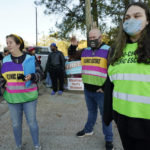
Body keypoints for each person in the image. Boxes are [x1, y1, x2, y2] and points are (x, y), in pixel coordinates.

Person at [103, 2, 150, 150]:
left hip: (146, 123)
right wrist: (110, 114)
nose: (131, 20)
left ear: (148, 20)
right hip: (122, 120)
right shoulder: (116, 50)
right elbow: (112, 82)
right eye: (127, 17)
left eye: (137, 16)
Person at [68, 29, 113, 150]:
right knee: (91, 112)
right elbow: (72, 56)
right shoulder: (85, 50)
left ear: (101, 38)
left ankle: (109, 139)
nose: (92, 40)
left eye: (94, 37)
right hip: (88, 89)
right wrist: (73, 46)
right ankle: (88, 130)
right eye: (90, 38)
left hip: (101, 91)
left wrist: (105, 87)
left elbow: (113, 71)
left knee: (105, 115)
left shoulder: (108, 50)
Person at [0, 34, 43, 150]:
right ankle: (18, 146)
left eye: (11, 43)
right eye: (7, 43)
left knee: (32, 123)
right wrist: (2, 89)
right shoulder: (5, 60)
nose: (8, 45)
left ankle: (36, 145)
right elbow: (2, 78)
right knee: (16, 124)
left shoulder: (30, 58)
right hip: (12, 99)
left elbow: (41, 74)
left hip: (29, 97)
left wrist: (33, 76)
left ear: (18, 44)